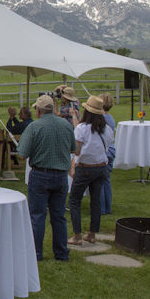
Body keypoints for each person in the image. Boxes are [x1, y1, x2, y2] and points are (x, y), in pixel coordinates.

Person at [17, 94, 74, 262]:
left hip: (40, 174)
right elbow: (72, 148)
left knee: (37, 215)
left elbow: (22, 154)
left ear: (39, 110)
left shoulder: (35, 127)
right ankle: (61, 253)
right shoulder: (66, 125)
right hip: (61, 175)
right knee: (59, 215)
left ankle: (36, 253)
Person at [67, 96, 114, 245]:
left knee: (74, 200)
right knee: (95, 201)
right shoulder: (107, 129)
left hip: (85, 168)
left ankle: (77, 235)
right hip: (101, 167)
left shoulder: (82, 129)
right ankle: (92, 233)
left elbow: (77, 151)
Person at [100, 94, 118, 215]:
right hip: (111, 150)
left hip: (104, 151)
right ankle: (107, 207)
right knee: (106, 180)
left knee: (100, 182)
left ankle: (101, 208)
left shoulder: (101, 119)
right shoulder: (110, 117)